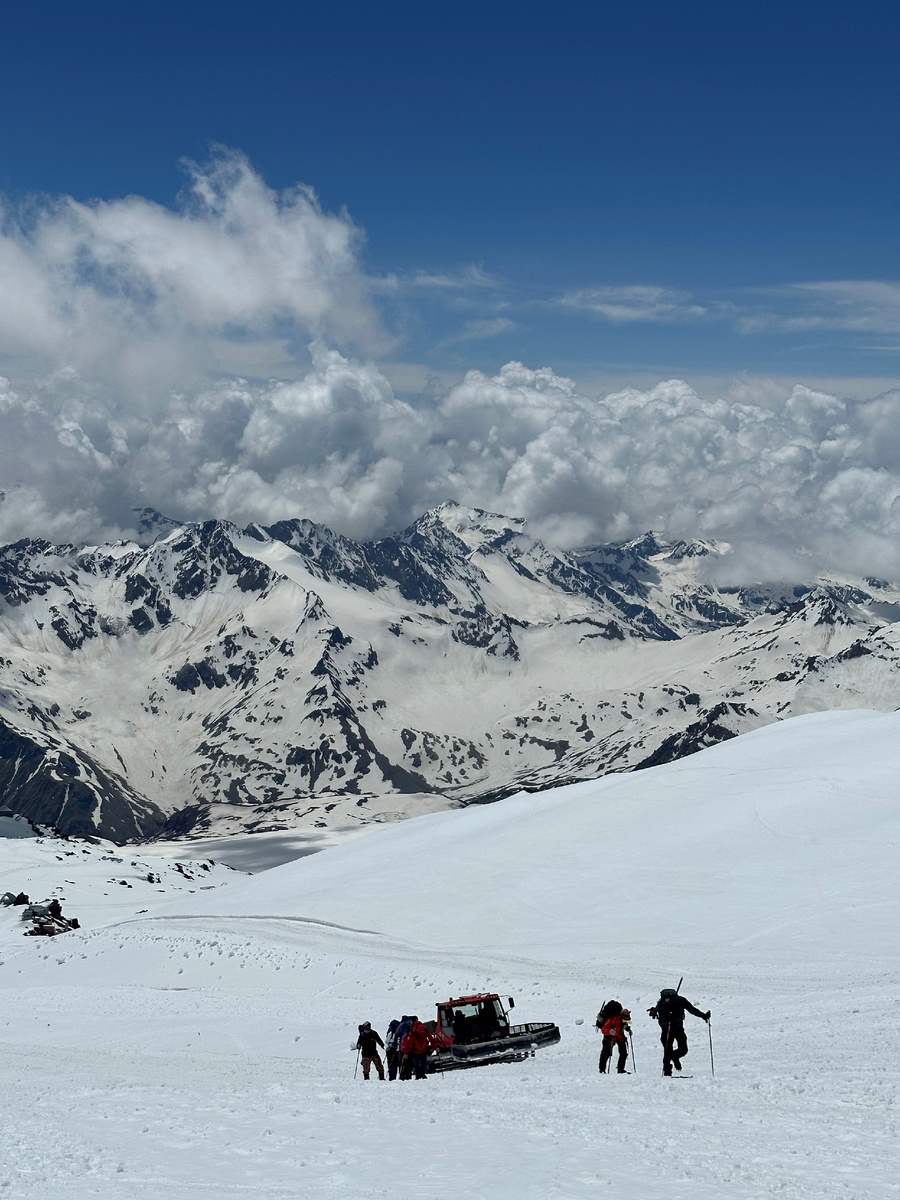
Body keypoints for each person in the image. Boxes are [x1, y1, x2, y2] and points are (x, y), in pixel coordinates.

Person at [648, 988, 710, 1075]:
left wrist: (656, 1013)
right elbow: (692, 1010)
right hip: (678, 1028)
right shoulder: (681, 1000)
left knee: (667, 1050)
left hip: (666, 1029)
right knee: (683, 1049)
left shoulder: (662, 1002)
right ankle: (674, 1057)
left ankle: (667, 1071)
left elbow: (658, 1014)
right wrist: (704, 1016)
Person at [400, 1015, 437, 1080]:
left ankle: (418, 1076)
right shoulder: (425, 1029)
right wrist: (436, 1047)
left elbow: (408, 1043)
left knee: (416, 1064)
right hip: (424, 1049)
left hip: (415, 1050)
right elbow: (431, 1039)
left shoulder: (412, 1032)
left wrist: (405, 1053)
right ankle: (422, 1074)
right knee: (423, 1063)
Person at [598, 1005, 631, 1074]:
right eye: (625, 1020)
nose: (626, 1021)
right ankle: (602, 1070)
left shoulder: (623, 1021)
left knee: (623, 1053)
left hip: (619, 1037)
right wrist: (609, 1031)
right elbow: (604, 1029)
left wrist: (628, 1029)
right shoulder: (612, 1019)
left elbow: (624, 1026)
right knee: (605, 1054)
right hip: (609, 1038)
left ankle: (620, 1069)